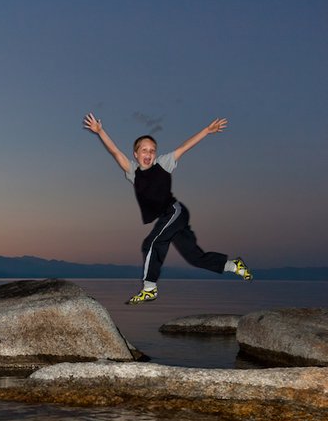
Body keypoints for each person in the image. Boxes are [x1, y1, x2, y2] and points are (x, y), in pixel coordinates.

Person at [82, 112, 253, 303]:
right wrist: (100, 131)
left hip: (174, 212)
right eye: (144, 150)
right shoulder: (132, 171)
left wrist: (207, 130)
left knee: (152, 243)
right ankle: (233, 266)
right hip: (169, 218)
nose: (148, 154)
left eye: (152, 150)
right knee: (195, 257)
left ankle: (149, 288)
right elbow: (115, 151)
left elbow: (184, 147)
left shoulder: (163, 163)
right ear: (136, 154)